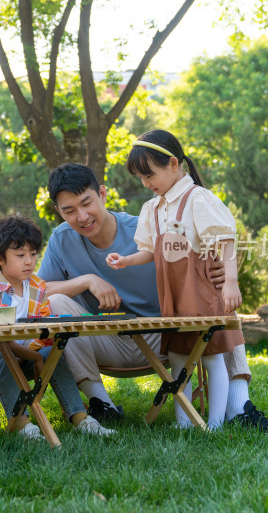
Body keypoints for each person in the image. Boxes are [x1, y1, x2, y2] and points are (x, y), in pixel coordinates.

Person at [37, 162, 268, 432]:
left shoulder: (145, 227)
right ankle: (102, 404)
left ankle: (239, 406)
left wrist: (220, 272)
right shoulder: (61, 239)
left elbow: (196, 260)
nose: (82, 217)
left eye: (87, 203)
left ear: (103, 194)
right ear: (58, 212)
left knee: (218, 301)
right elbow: (37, 292)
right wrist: (87, 280)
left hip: (163, 335)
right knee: (56, 303)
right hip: (104, 339)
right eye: (69, 211)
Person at [105, 130, 243, 430]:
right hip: (174, 297)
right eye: (140, 178)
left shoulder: (197, 199)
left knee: (210, 356)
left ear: (172, 164)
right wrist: (127, 260)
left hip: (202, 293)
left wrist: (231, 282)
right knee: (179, 357)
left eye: (149, 175)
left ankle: (216, 424)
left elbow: (226, 240)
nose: (145, 183)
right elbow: (149, 250)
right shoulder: (152, 208)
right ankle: (185, 421)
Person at [0, 215, 114, 438]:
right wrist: (34, 358)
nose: (29, 261)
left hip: (23, 355)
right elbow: (0, 339)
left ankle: (80, 417)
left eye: (33, 254)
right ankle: (20, 422)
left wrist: (39, 351)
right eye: (20, 255)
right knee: (4, 358)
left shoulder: (37, 287)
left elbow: (42, 329)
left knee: (55, 354)